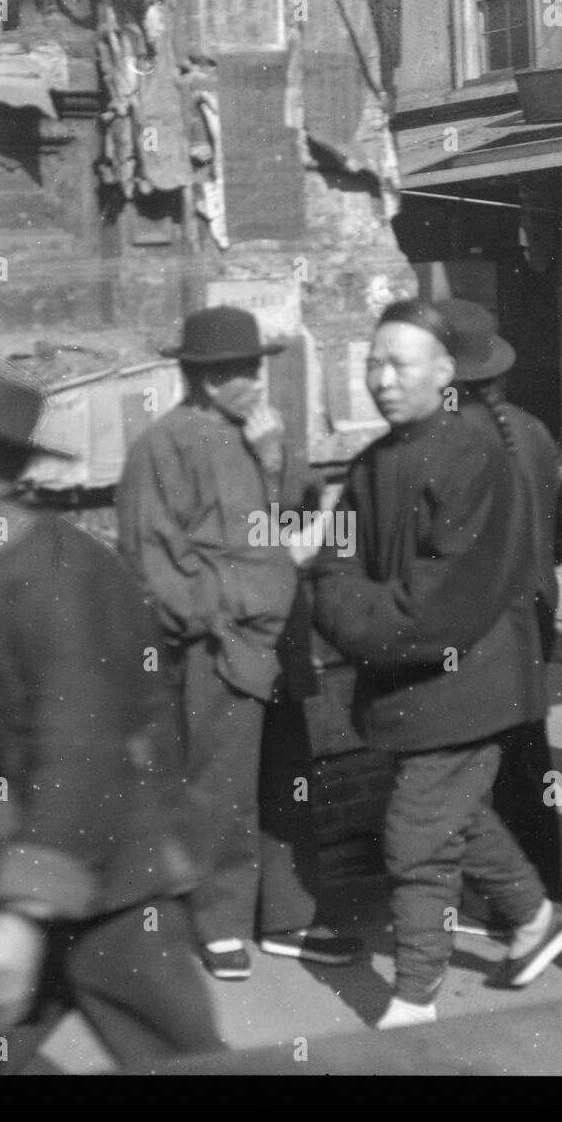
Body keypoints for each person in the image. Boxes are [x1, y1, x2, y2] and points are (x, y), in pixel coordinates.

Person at [0, 348, 224, 1073]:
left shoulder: (62, 580)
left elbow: (80, 747)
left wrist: (23, 915)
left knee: (185, 1063)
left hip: (114, 873)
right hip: (19, 857)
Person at [311, 299, 562, 1030]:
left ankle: (413, 1000)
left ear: (444, 372)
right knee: (452, 810)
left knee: (415, 834)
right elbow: (334, 561)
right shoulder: (375, 462)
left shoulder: (473, 458)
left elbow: (438, 607)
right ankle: (535, 918)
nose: (382, 378)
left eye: (400, 364)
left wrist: (349, 610)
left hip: (469, 683)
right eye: (373, 363)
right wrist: (352, 600)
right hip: (411, 681)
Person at [116, 306, 361, 980]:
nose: (256, 380)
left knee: (289, 780)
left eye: (257, 366)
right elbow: (151, 563)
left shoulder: (263, 433)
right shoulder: (164, 447)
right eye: (242, 370)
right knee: (218, 786)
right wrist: (217, 616)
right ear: (204, 378)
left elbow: (295, 517)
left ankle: (289, 917)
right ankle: (218, 924)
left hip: (280, 639)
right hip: (218, 647)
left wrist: (276, 459)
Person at [438, 299, 562, 910]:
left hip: (465, 627)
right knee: (525, 759)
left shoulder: (434, 439)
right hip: (530, 616)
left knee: (457, 763)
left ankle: (502, 899)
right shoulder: (531, 428)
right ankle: (543, 894)